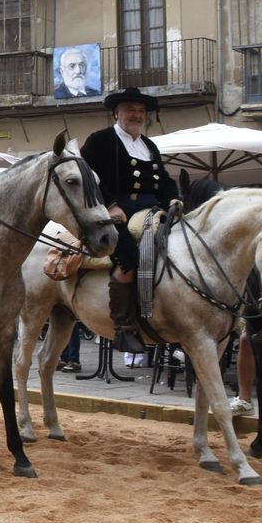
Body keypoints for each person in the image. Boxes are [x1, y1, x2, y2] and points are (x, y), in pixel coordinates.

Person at [79, 87, 180, 355]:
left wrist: (173, 198)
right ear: (117, 113)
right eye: (130, 110)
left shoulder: (149, 145)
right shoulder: (100, 140)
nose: (137, 115)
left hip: (152, 209)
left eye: (141, 111)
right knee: (129, 258)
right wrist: (110, 204)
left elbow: (164, 180)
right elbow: (87, 178)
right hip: (115, 212)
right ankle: (124, 328)